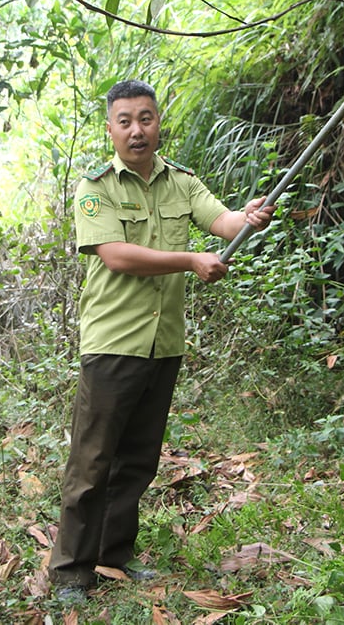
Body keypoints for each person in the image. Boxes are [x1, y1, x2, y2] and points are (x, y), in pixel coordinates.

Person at [48, 79, 274, 602]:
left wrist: (250, 218)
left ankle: (114, 555)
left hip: (163, 341)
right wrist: (190, 260)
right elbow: (117, 255)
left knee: (139, 459)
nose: (136, 130)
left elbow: (222, 221)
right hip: (113, 341)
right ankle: (70, 571)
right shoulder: (96, 187)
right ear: (110, 129)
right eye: (124, 121)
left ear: (158, 122)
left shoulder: (182, 182)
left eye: (145, 118)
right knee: (93, 459)